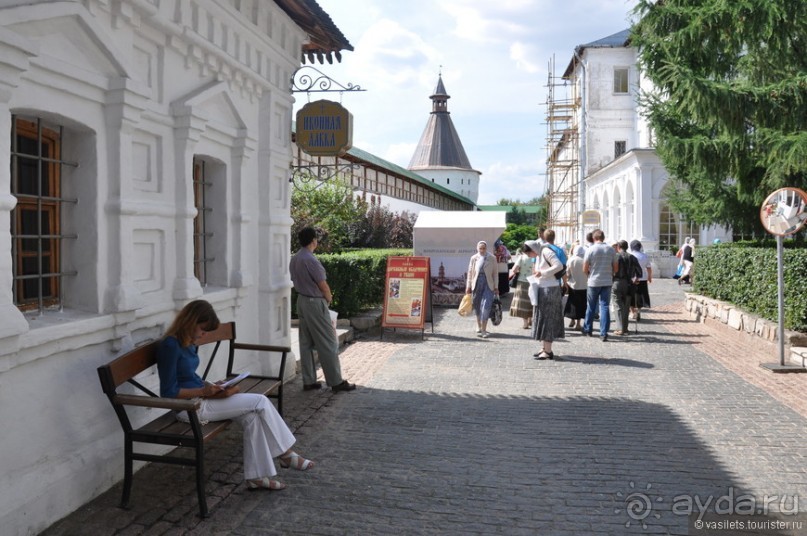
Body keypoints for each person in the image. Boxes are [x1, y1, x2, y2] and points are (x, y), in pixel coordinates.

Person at [156, 300, 314, 491]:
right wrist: (204, 392)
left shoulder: (188, 342)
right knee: (260, 401)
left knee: (252, 417)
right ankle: (286, 454)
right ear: (190, 321)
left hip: (203, 399)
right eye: (203, 329)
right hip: (189, 409)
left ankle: (255, 477)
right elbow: (168, 392)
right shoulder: (170, 345)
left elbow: (189, 376)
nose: (203, 334)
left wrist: (212, 386)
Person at [289, 227, 356, 393]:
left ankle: (309, 380)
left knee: (305, 343)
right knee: (328, 342)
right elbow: (322, 284)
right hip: (314, 302)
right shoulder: (310, 259)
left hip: (302, 300)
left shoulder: (295, 258)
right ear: (313, 240)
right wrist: (328, 297)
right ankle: (335, 381)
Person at [532, 230, 565, 359]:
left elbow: (560, 266)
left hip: (550, 288)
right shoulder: (544, 251)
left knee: (548, 319)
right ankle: (545, 348)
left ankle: (548, 350)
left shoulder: (547, 251)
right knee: (543, 318)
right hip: (545, 287)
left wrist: (543, 273)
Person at [582, 229, 618, 342]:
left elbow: (585, 268)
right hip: (607, 281)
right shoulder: (611, 250)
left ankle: (588, 329)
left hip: (593, 281)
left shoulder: (590, 249)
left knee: (591, 306)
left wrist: (589, 275)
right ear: (603, 238)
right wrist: (610, 274)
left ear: (594, 238)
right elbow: (616, 268)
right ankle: (604, 333)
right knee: (605, 306)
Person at [465, 240, 498, 338]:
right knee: (477, 304)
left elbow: (495, 274)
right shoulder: (474, 258)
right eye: (480, 248)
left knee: (486, 306)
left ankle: (484, 329)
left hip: (488, 283)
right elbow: (470, 273)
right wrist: (468, 286)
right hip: (477, 282)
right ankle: (478, 325)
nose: (482, 250)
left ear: (486, 248)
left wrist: (496, 287)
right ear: (477, 248)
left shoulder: (492, 258)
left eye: (484, 248)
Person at [612, 240, 641, 335]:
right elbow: (639, 272)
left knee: (617, 305)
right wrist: (636, 280)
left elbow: (611, 270)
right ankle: (625, 328)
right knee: (626, 306)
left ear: (618, 247)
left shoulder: (616, 256)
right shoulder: (632, 257)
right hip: (629, 284)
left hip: (617, 282)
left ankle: (620, 328)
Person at [509, 242, 537, 329]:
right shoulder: (535, 257)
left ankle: (525, 323)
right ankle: (530, 319)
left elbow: (514, 270)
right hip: (533, 281)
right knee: (531, 301)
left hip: (522, 281)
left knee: (522, 303)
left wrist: (520, 270)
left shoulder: (521, 257)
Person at [563, 245, 587, 330]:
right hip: (583, 285)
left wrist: (566, 282)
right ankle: (578, 324)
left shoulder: (571, 260)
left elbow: (567, 273)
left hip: (572, 285)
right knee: (581, 305)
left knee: (572, 304)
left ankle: (572, 320)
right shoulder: (584, 260)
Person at [629, 240, 652, 321]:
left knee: (631, 295)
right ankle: (638, 310)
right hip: (642, 278)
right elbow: (648, 267)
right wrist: (649, 277)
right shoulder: (644, 256)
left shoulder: (630, 255)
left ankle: (632, 312)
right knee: (641, 295)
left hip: (632, 279)